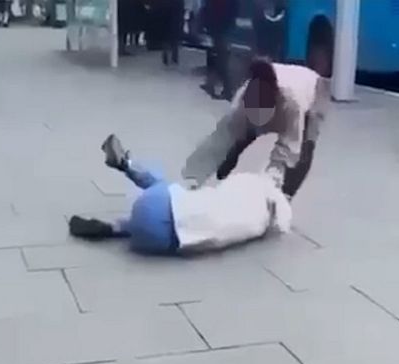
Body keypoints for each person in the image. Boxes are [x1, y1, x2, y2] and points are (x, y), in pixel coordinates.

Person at [69, 135, 292, 255]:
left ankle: (126, 164)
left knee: (166, 188)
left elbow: (227, 185)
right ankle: (118, 228)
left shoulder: (252, 184)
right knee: (176, 217)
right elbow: (281, 227)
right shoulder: (263, 224)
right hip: (156, 242)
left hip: (156, 205)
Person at [183, 58, 330, 200]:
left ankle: (285, 198)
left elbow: (289, 147)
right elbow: (218, 140)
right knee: (233, 136)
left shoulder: (292, 105)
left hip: (313, 89)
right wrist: (193, 178)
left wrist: (273, 179)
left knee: (305, 149)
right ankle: (228, 161)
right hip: (272, 91)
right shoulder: (242, 98)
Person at [201, 0, 239, 100]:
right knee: (217, 57)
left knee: (221, 59)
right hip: (221, 27)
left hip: (220, 27)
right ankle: (212, 84)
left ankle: (227, 90)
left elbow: (211, 9)